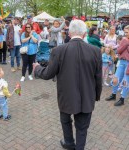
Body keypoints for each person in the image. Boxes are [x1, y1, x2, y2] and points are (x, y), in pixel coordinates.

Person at [33, 20, 102, 150]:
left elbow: (48, 74)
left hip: (66, 96)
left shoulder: (58, 50)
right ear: (85, 33)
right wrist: (96, 96)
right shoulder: (95, 51)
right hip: (87, 96)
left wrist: (37, 68)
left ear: (69, 33)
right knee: (82, 128)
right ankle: (76, 146)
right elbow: (98, 77)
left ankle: (69, 143)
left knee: (65, 121)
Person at [105, 25, 129, 106]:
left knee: (126, 82)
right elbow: (118, 51)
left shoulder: (125, 40)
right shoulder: (124, 40)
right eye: (124, 32)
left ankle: (122, 99)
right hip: (122, 61)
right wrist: (125, 43)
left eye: (127, 32)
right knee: (115, 79)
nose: (125, 34)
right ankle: (113, 94)